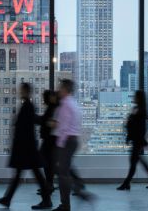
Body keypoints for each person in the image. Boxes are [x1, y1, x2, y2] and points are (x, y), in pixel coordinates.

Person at [0, 83, 52, 210]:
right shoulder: (27, 106)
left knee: (31, 176)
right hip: (28, 149)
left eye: (21, 90)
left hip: (26, 149)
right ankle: (8, 199)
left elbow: (25, 129)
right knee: (32, 175)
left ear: (26, 91)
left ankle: (8, 199)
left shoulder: (27, 106)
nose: (19, 92)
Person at [52, 79, 93, 211]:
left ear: (65, 89)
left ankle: (66, 205)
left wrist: (60, 144)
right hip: (74, 140)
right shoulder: (74, 104)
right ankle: (79, 193)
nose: (58, 90)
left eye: (60, 88)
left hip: (66, 141)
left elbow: (63, 127)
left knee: (63, 175)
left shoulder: (65, 105)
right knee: (65, 171)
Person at [117, 90, 148, 191]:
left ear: (139, 98)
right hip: (136, 139)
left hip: (138, 140)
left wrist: (136, 138)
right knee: (138, 160)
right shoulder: (136, 109)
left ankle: (126, 183)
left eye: (135, 96)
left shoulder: (141, 111)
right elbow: (132, 124)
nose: (133, 98)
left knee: (133, 162)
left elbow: (139, 127)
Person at [37, 90, 59, 191]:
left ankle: (49, 185)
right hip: (49, 139)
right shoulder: (52, 107)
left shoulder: (54, 108)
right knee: (49, 163)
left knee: (47, 163)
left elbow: (50, 122)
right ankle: (49, 184)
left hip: (50, 140)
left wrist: (38, 119)